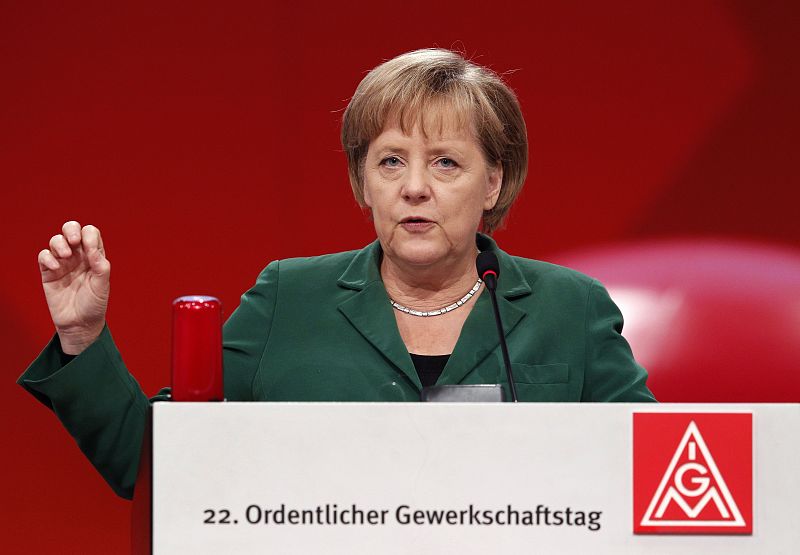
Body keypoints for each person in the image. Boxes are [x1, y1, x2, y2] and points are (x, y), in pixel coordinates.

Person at [18, 48, 656, 500]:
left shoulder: (570, 309)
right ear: (361, 181)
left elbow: (650, 479)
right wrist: (82, 336)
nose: (413, 188)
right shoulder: (288, 300)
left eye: (444, 164)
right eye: (389, 161)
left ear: (494, 181)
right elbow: (154, 467)